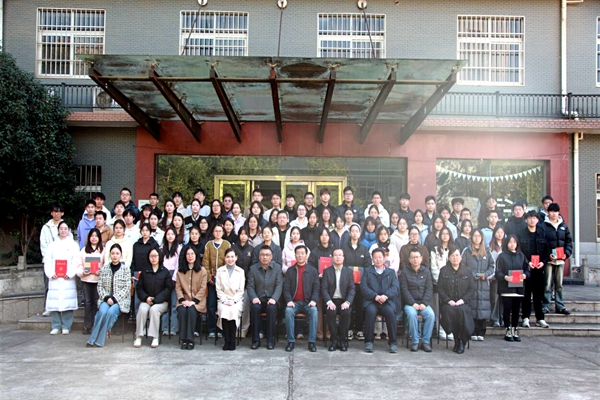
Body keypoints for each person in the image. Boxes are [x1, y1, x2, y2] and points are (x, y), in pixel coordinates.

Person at [86, 243, 131, 347]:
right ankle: (94, 338)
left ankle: (97, 340)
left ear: (121, 255)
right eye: (113, 253)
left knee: (111, 312)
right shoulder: (105, 269)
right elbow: (100, 286)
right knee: (102, 311)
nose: (115, 256)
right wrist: (106, 297)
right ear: (110, 255)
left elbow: (127, 287)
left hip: (120, 301)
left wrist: (114, 299)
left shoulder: (126, 269)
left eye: (117, 253)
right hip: (105, 299)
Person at [360, 248, 400, 353]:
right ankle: (368, 342)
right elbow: (363, 287)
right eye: (375, 258)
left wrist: (386, 296)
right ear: (372, 259)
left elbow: (395, 287)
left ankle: (393, 342)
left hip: (386, 301)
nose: (378, 259)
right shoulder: (367, 271)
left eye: (380, 257)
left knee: (390, 313)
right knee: (370, 312)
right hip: (372, 301)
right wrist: (375, 296)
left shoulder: (391, 272)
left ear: (384, 258)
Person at [437, 247, 475, 354]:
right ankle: (456, 339)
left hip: (463, 303)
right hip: (448, 303)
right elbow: (440, 288)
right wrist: (448, 300)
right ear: (449, 257)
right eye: (452, 255)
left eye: (457, 255)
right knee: (450, 311)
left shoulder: (467, 271)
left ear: (461, 257)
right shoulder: (443, 270)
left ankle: (462, 341)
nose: (455, 258)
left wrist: (463, 300)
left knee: (461, 311)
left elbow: (471, 289)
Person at [44, 221, 80, 334]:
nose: (63, 231)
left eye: (65, 228)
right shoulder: (52, 245)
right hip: (55, 278)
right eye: (61, 229)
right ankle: (56, 326)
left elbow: (76, 261)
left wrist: (70, 273)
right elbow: (47, 260)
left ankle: (66, 326)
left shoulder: (73, 245)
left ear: (68, 230)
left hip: (67, 279)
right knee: (54, 303)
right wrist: (51, 273)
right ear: (58, 230)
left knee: (67, 302)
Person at [283, 245, 320, 353]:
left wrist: (313, 300)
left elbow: (316, 288)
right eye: (298, 253)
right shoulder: (290, 270)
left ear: (306, 255)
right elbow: (286, 288)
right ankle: (291, 341)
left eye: (302, 253)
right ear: (295, 255)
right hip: (294, 303)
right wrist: (289, 300)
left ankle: (311, 342)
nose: (300, 255)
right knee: (288, 311)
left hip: (308, 303)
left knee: (314, 311)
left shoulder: (313, 271)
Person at [134, 248, 173, 348]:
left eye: (155, 256)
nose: (153, 258)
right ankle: (138, 336)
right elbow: (139, 287)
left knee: (154, 310)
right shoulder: (145, 271)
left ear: (160, 257)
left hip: (161, 302)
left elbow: (168, 289)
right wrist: (146, 298)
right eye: (151, 256)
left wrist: (156, 300)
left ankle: (155, 337)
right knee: (142, 309)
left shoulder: (165, 272)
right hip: (147, 300)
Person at [518, 210, 550, 329]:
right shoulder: (521, 233)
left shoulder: (542, 233)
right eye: (530, 218)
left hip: (539, 269)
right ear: (526, 220)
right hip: (526, 269)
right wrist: (527, 262)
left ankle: (540, 318)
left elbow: (547, 250)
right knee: (526, 294)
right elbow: (519, 251)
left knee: (538, 295)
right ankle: (525, 317)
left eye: (534, 218)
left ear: (537, 220)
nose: (532, 220)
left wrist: (543, 262)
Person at [247, 245, 283, 350]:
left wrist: (274, 299)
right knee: (254, 308)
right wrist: (254, 298)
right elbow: (250, 286)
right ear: (259, 256)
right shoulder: (253, 269)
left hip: (272, 300)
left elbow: (279, 285)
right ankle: (255, 340)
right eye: (262, 255)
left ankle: (270, 340)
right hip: (258, 299)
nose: (265, 257)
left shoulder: (277, 268)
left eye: (267, 255)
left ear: (271, 257)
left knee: (271, 309)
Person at [461, 229, 494, 340]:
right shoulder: (466, 251)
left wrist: (486, 274)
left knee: (483, 307)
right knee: (472, 307)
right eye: (474, 236)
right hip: (471, 284)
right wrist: (471, 275)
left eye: (478, 236)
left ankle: (481, 331)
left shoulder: (487, 251)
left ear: (482, 238)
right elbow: (462, 266)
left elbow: (492, 266)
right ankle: (473, 331)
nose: (476, 238)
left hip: (484, 285)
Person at [400, 248, 435, 352]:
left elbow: (429, 289)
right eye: (413, 257)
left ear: (421, 258)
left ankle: (425, 341)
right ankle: (415, 341)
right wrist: (412, 303)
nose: (415, 259)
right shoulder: (404, 272)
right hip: (410, 304)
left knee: (431, 315)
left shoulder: (426, 272)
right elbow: (404, 290)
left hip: (423, 303)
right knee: (411, 314)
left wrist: (424, 303)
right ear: (409, 259)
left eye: (417, 257)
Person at [496, 235, 529, 342]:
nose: (512, 244)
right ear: (506, 243)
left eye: (514, 242)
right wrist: (505, 277)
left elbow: (527, 269)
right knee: (507, 309)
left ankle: (515, 329)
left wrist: (525, 275)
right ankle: (508, 329)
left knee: (516, 310)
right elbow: (498, 272)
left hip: (518, 288)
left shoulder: (521, 256)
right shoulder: (502, 256)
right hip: (506, 288)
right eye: (510, 242)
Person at [541, 203, 573, 315]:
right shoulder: (543, 226)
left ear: (558, 212)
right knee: (547, 284)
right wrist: (547, 255)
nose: (554, 214)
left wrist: (566, 254)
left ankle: (560, 306)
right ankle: (546, 305)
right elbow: (541, 243)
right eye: (551, 211)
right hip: (549, 260)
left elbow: (569, 242)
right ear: (548, 212)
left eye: (556, 211)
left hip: (560, 260)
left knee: (559, 284)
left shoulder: (563, 226)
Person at [321, 248, 355, 352]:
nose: (338, 257)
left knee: (346, 312)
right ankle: (334, 340)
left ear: (343, 257)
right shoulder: (327, 271)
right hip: (332, 300)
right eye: (335, 255)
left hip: (344, 301)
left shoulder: (348, 271)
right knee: (330, 312)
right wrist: (329, 301)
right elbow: (324, 289)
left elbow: (352, 289)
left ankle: (343, 340)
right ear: (332, 258)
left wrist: (348, 302)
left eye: (340, 255)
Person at [343, 223, 371, 342]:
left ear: (360, 234)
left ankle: (359, 329)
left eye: (357, 231)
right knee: (348, 305)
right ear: (349, 233)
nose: (354, 233)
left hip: (360, 283)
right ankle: (349, 329)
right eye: (352, 231)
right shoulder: (344, 248)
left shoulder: (364, 249)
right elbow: (342, 265)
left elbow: (368, 265)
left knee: (359, 306)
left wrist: (362, 276)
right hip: (347, 283)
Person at [202, 224, 232, 338]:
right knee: (211, 305)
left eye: (220, 231)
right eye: (216, 231)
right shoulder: (209, 245)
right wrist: (209, 277)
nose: (218, 233)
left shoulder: (227, 244)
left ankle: (221, 329)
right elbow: (205, 263)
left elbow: (228, 262)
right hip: (211, 281)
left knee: (222, 304)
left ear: (223, 232)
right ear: (213, 232)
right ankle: (211, 329)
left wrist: (222, 278)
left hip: (223, 281)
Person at [175, 247, 207, 350]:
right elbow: (178, 288)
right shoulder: (180, 271)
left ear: (196, 255)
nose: (190, 256)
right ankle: (183, 339)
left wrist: (194, 301)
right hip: (183, 300)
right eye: (188, 254)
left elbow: (203, 288)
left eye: (192, 254)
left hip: (198, 302)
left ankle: (190, 339)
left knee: (191, 311)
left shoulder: (202, 270)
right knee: (182, 311)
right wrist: (182, 300)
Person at [40, 203, 68, 316]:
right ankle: (48, 307)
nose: (57, 214)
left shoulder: (65, 226)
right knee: (49, 285)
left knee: (63, 285)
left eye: (59, 212)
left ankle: (62, 307)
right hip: (50, 261)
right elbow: (43, 245)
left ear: (62, 213)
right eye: (55, 212)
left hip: (63, 261)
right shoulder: (46, 227)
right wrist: (49, 258)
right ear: (51, 213)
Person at [215, 248, 245, 351]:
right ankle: (226, 340)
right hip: (223, 299)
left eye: (232, 257)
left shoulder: (241, 271)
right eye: (228, 257)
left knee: (233, 311)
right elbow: (218, 288)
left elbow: (241, 290)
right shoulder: (220, 271)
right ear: (225, 258)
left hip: (236, 300)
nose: (230, 259)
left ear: (236, 258)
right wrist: (224, 300)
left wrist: (233, 301)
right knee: (224, 310)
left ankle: (232, 340)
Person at [76, 228, 104, 334]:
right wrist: (83, 272)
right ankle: (87, 326)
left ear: (99, 238)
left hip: (98, 280)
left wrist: (100, 271)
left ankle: (96, 325)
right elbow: (78, 266)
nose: (94, 238)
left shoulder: (103, 250)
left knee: (97, 302)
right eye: (92, 236)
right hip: (86, 280)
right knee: (88, 303)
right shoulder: (83, 250)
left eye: (96, 236)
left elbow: (106, 265)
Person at [231, 227, 254, 338]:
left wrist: (246, 279)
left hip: (247, 282)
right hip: (234, 282)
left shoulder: (251, 249)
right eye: (241, 234)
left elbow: (252, 266)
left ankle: (244, 329)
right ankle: (233, 328)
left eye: (245, 234)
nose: (243, 236)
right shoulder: (233, 248)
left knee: (245, 306)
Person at [161, 227, 181, 336]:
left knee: (174, 304)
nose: (170, 236)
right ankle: (165, 327)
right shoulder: (161, 248)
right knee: (164, 303)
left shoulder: (178, 248)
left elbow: (178, 265)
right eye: (168, 234)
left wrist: (174, 278)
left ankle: (173, 328)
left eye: (172, 234)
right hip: (163, 276)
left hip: (174, 276)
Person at [489, 225, 506, 327]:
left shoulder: (506, 245)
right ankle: (495, 319)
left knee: (503, 298)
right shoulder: (490, 246)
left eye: (502, 232)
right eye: (498, 232)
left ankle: (503, 317)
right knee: (494, 298)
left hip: (505, 276)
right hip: (494, 276)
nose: (500, 234)